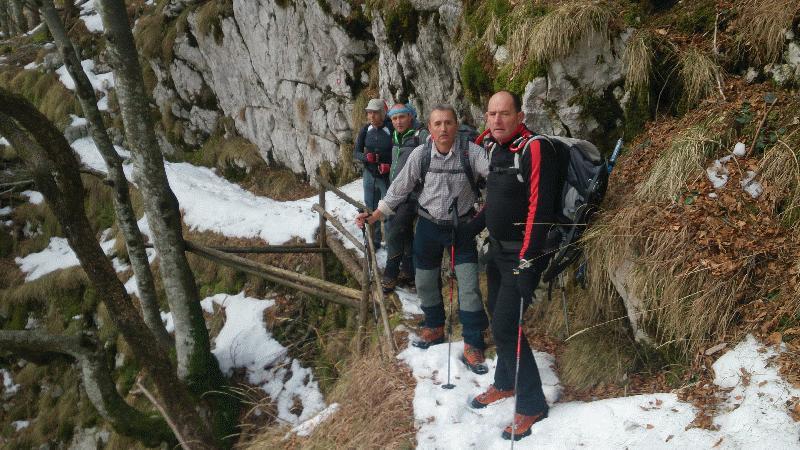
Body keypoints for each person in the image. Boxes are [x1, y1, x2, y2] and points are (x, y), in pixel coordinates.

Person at [356, 105, 490, 374]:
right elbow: (399, 188)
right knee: (425, 280)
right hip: (428, 226)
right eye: (437, 123)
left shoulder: (472, 153)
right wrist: (375, 215)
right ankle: (434, 326)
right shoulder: (421, 154)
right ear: (429, 128)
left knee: (468, 285)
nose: (443, 128)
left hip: (462, 228)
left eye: (448, 122)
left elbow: (496, 180)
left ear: (456, 125)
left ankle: (473, 341)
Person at [464, 91, 568, 440]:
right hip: (497, 249)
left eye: (505, 113)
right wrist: (472, 227)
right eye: (492, 113)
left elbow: (540, 211)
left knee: (507, 326)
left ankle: (532, 404)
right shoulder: (495, 148)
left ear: (520, 116)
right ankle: (505, 382)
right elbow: (496, 201)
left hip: (522, 254)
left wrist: (527, 262)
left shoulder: (533, 149)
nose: (497, 119)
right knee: (497, 312)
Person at [381, 102, 427, 293]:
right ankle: (409, 273)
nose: (398, 121)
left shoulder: (419, 135)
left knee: (394, 232)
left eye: (402, 117)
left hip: (413, 196)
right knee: (405, 234)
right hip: (397, 194)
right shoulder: (396, 136)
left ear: (410, 116)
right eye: (394, 118)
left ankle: (390, 276)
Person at [354, 98, 393, 249]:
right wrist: (366, 157)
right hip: (369, 175)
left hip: (386, 177)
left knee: (388, 210)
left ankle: (391, 245)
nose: (371, 116)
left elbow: (398, 152)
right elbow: (356, 152)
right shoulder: (365, 129)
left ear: (382, 113)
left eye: (375, 113)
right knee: (370, 208)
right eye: (369, 113)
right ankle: (374, 242)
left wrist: (389, 165)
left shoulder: (391, 129)